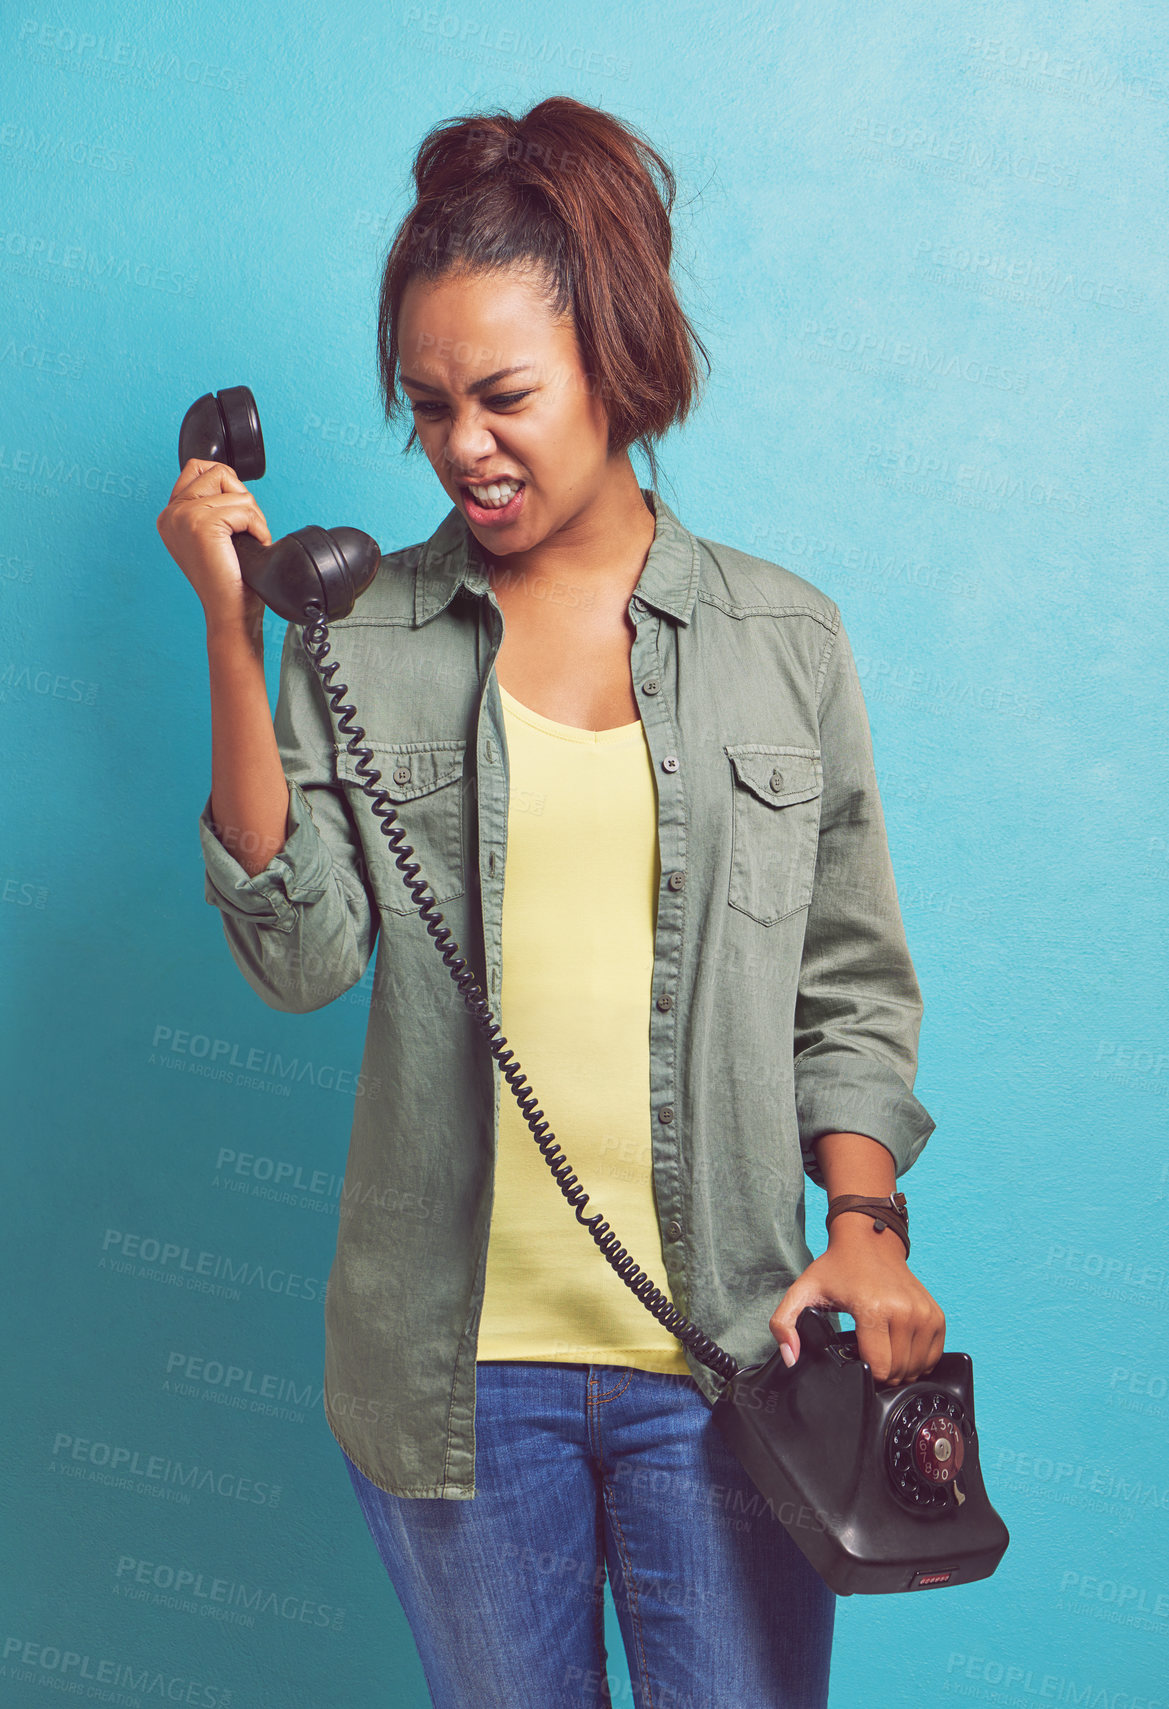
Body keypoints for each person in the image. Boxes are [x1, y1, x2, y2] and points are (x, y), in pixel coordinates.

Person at [157, 95, 943, 1709]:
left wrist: (861, 1228)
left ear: (617, 362)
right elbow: (300, 953)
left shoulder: (777, 640)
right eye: (430, 406)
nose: (463, 445)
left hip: (726, 1357)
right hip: (453, 1370)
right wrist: (240, 639)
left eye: (504, 396)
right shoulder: (358, 631)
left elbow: (848, 984)